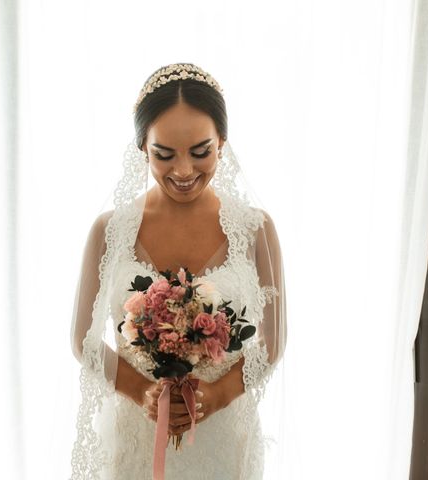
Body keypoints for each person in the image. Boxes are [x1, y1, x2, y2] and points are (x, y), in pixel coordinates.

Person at [69, 63, 287, 480]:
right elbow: (83, 340)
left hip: (221, 439)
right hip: (136, 435)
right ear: (142, 149)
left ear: (222, 142)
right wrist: (143, 391)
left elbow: (274, 341)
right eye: (164, 155)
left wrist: (217, 395)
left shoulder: (255, 230)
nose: (184, 171)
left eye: (201, 152)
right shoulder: (109, 231)